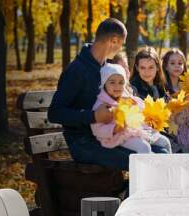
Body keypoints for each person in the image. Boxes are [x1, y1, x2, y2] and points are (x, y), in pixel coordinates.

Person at [48, 18, 169, 172]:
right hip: (84, 142)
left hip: (112, 135)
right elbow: (54, 113)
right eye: (121, 44)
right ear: (113, 40)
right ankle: (133, 196)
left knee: (162, 153)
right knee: (146, 162)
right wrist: (93, 116)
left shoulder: (106, 68)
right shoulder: (77, 70)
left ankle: (142, 194)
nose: (120, 49)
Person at [91, 63, 172, 153]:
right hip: (118, 136)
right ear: (104, 83)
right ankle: (145, 166)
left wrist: (134, 103)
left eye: (121, 82)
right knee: (144, 147)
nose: (117, 86)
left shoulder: (125, 97)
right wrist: (114, 129)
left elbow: (141, 109)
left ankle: (169, 166)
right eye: (112, 82)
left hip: (136, 130)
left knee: (165, 142)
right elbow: (97, 129)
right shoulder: (102, 104)